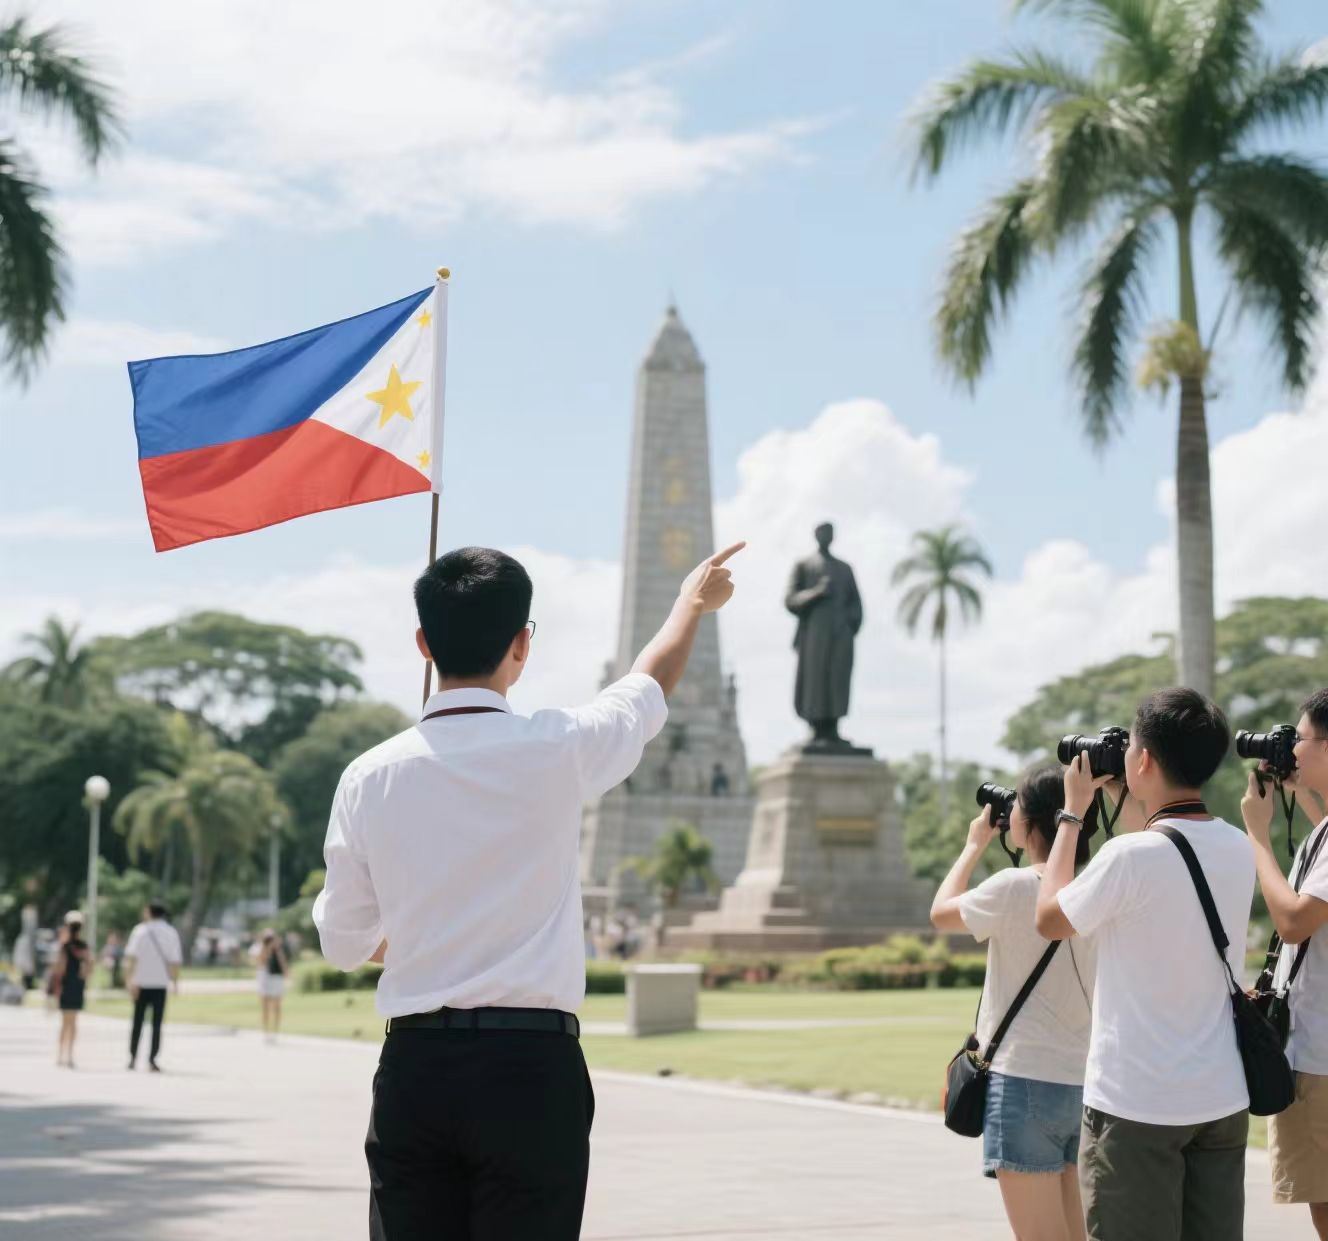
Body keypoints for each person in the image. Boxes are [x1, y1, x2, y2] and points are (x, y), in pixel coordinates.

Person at [313, 540, 743, 1241]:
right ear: (522, 643)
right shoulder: (558, 748)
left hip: (416, 1067)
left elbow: (343, 942)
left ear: (423, 642)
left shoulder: (368, 776)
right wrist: (691, 604)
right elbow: (647, 685)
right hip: (531, 1068)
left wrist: (432, 945)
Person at [1036, 688, 1255, 1241]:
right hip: (1221, 1098)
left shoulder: (1127, 856)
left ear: (1143, 760)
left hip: (1137, 1104)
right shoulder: (1237, 846)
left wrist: (1071, 815)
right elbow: (1172, 840)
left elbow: (1049, 918)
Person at [932, 769, 1098, 1241]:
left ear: (1032, 823)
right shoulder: (1097, 886)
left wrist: (974, 845)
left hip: (1024, 1080)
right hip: (1083, 1084)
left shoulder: (1013, 886)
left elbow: (940, 912)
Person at [1240, 688, 1328, 1238]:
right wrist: (1305, 800)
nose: (1290, 748)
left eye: (1300, 738)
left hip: (1322, 1059)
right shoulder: (1323, 831)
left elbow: (1295, 920)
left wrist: (1257, 835)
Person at [124, 902, 183, 1071]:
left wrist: (129, 981)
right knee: (157, 1024)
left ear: (149, 912)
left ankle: (133, 1057)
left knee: (137, 1022)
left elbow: (131, 958)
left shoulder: (140, 931)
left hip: (140, 982)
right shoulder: (171, 932)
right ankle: (152, 1059)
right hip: (160, 983)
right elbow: (175, 961)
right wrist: (175, 982)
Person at [50, 912, 91, 1068]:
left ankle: (61, 1055)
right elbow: (88, 967)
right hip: (77, 985)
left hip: (66, 985)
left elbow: (59, 967)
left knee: (64, 1022)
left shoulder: (65, 947)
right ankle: (70, 1055)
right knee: (73, 1022)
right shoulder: (84, 947)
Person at [254, 928, 289, 1041]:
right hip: (265, 978)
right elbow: (260, 962)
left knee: (277, 1006)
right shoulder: (260, 948)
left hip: (277, 979)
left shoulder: (278, 950)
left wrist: (277, 949)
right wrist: (266, 948)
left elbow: (284, 967)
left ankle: (275, 1031)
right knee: (265, 1006)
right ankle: (266, 1032)